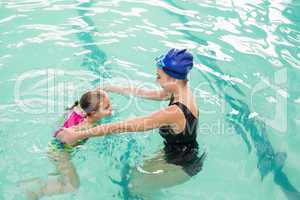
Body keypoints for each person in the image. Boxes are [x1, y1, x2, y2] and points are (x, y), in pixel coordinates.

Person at [57, 49, 206, 198]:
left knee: (132, 187)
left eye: (159, 77)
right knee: (132, 178)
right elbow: (148, 93)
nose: (156, 80)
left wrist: (78, 135)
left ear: (173, 79)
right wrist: (113, 88)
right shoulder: (181, 89)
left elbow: (125, 125)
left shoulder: (175, 112)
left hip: (182, 164)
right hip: (177, 151)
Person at [19, 89, 112, 200]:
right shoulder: (87, 126)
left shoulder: (79, 108)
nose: (111, 108)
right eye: (106, 108)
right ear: (93, 113)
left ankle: (34, 186)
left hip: (56, 149)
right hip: (60, 153)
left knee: (61, 177)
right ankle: (35, 190)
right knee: (73, 185)